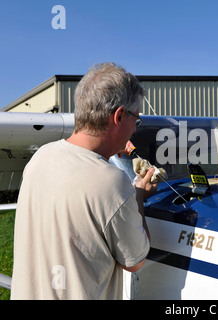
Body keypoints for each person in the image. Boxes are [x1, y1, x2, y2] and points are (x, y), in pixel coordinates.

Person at [11, 62, 156, 299]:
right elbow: (135, 261)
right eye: (136, 120)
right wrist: (138, 194)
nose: (134, 130)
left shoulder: (40, 157)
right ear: (119, 116)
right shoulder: (112, 182)